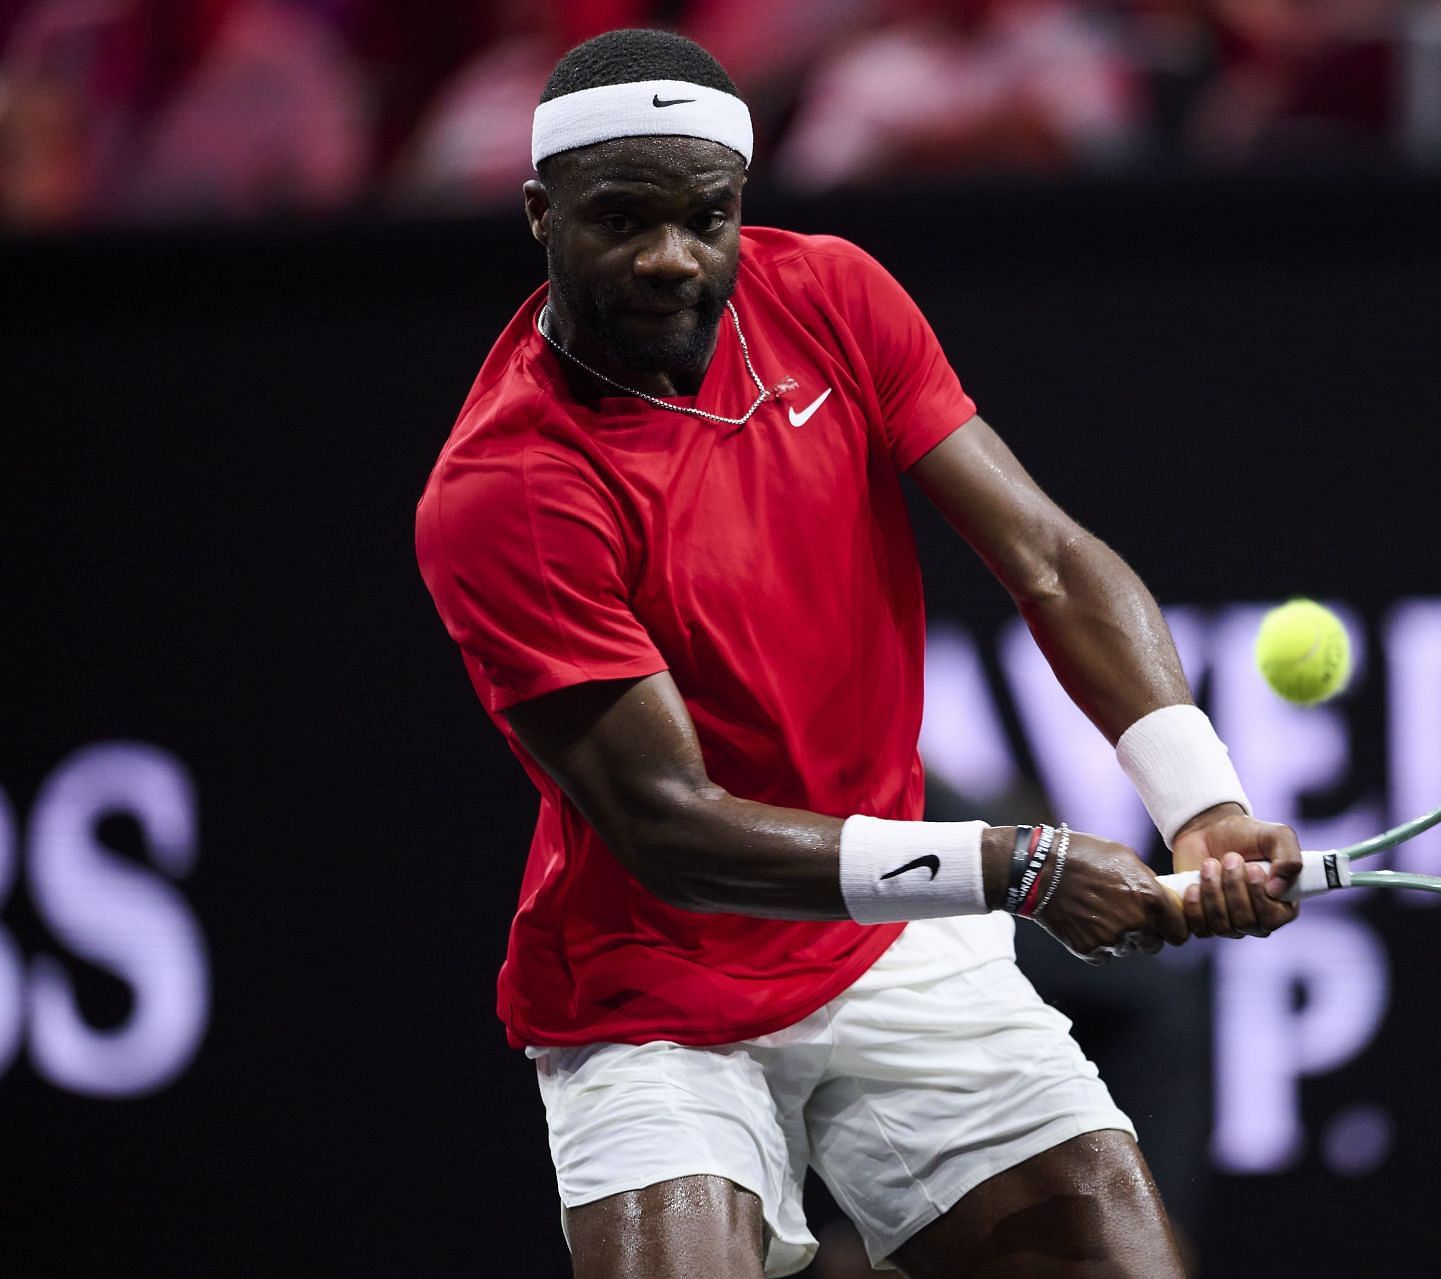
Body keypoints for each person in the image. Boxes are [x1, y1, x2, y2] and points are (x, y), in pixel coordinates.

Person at [414, 27, 1302, 1278]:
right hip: (659, 997)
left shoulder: (830, 294)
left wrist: (1199, 797)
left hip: (894, 945)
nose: (671, 259)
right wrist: (1020, 866)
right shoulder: (509, 485)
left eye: (706, 218)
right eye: (622, 219)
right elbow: (674, 828)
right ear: (538, 213)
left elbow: (1048, 557)